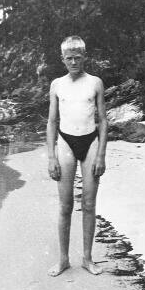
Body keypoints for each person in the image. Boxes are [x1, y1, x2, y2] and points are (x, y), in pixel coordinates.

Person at [46, 36, 108, 276]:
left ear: (85, 58)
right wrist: (51, 157)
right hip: (66, 143)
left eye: (77, 58)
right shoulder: (57, 84)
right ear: (62, 59)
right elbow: (52, 122)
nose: (73, 62)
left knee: (90, 204)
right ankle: (63, 260)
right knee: (65, 205)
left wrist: (101, 154)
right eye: (69, 58)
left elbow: (103, 120)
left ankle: (87, 258)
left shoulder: (95, 82)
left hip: (90, 141)